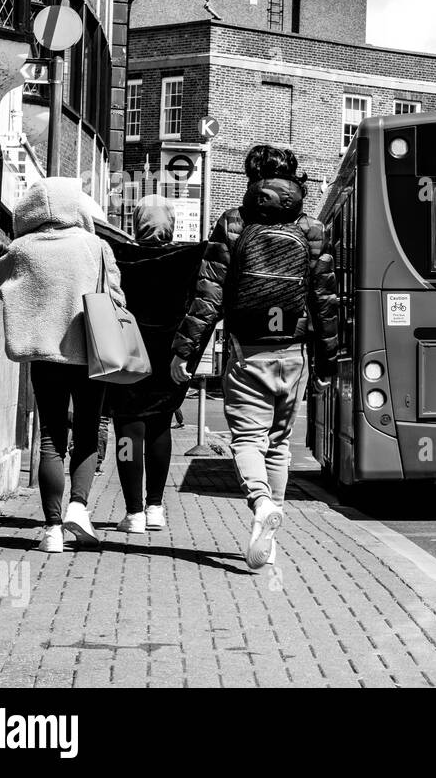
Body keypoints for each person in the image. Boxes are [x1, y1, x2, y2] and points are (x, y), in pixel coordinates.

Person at [170, 145, 339, 570]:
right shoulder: (312, 229)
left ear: (252, 178)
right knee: (278, 444)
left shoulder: (233, 223)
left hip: (248, 350)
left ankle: (262, 504)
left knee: (248, 440)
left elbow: (208, 295)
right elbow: (325, 301)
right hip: (295, 353)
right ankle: (270, 529)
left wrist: (186, 351)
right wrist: (327, 363)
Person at [0, 177, 123, 553]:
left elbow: (3, 286)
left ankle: (51, 530)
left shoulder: (20, 249)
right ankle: (79, 509)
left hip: (44, 353)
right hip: (90, 349)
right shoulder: (97, 248)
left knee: (51, 437)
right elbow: (116, 297)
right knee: (87, 431)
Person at [105, 195, 207, 533]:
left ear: (137, 223)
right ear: (171, 224)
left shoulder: (120, 257)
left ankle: (132, 512)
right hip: (169, 358)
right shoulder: (187, 259)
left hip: (126, 354)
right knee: (160, 427)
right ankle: (155, 508)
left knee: (127, 430)